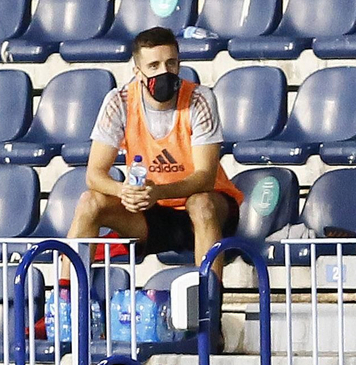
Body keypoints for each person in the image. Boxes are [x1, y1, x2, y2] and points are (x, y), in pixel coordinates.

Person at [72, 26, 243, 269]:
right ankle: (66, 297)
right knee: (89, 202)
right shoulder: (119, 101)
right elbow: (94, 175)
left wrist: (159, 192)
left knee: (201, 203)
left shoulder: (199, 99)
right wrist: (125, 192)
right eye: (154, 66)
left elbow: (205, 177)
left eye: (171, 63)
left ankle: (210, 300)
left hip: (208, 210)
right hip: (152, 212)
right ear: (138, 72)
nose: (164, 72)